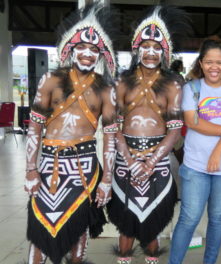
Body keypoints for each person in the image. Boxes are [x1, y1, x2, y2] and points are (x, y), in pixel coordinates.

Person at [24, 4, 117, 264]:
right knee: (40, 229)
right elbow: (35, 125)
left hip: (85, 167)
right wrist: (31, 169)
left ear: (100, 54)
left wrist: (107, 179)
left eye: (93, 50)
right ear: (70, 50)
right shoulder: (50, 79)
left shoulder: (105, 88)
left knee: (78, 227)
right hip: (48, 164)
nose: (87, 54)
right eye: (82, 48)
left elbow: (110, 136)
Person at [106, 6, 190, 264]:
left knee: (152, 225)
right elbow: (113, 128)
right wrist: (130, 162)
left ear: (165, 51)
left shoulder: (174, 83)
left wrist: (152, 161)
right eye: (146, 46)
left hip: (159, 159)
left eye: (157, 46)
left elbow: (175, 129)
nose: (151, 52)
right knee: (126, 225)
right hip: (125, 159)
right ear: (136, 48)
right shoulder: (121, 81)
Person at [169, 36, 221, 264]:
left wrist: (217, 152)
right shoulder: (192, 88)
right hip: (195, 165)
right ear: (201, 64)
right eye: (209, 62)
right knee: (189, 217)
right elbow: (193, 122)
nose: (214, 67)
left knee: (217, 217)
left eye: (220, 62)